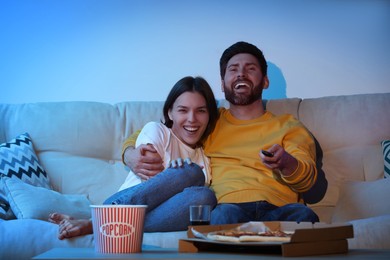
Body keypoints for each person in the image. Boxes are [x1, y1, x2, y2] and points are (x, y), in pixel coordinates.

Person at [123, 41, 320, 224]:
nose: (241, 74)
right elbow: (164, 128)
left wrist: (286, 163)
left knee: (306, 216)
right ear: (223, 82)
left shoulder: (289, 126)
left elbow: (308, 181)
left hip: (281, 209)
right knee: (221, 216)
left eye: (250, 69)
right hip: (229, 209)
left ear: (265, 81)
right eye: (233, 70)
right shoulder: (209, 120)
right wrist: (129, 153)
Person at [49, 76, 219, 239]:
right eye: (183, 110)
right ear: (170, 113)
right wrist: (185, 174)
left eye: (201, 111)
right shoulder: (158, 132)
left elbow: (182, 206)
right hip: (127, 203)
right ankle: (101, 219)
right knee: (191, 173)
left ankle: (98, 223)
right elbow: (150, 182)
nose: (192, 119)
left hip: (160, 215)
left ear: (209, 115)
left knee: (205, 197)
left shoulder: (205, 158)